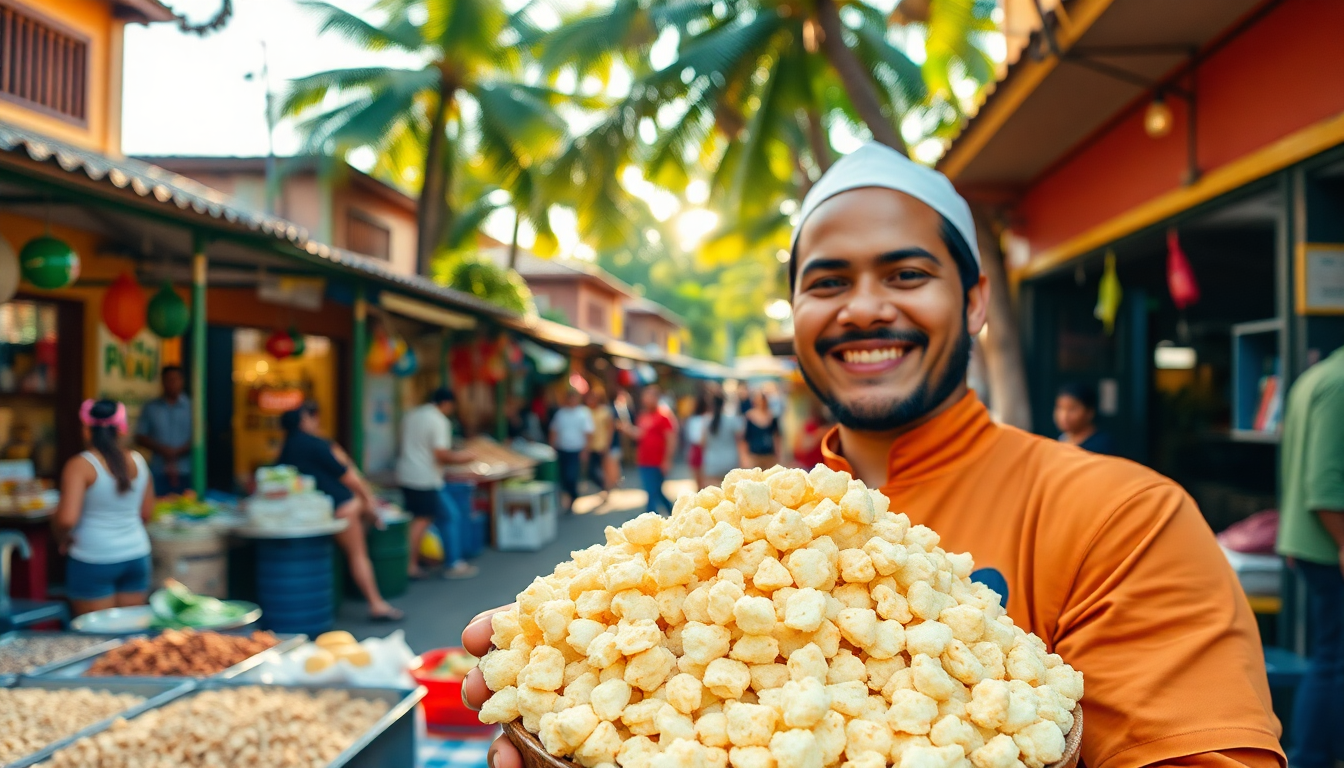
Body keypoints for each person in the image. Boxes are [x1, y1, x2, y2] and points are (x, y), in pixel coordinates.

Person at [461, 142, 1283, 768]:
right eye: (826, 283)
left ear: (976, 299)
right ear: (795, 315)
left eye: (906, 273)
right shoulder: (725, 546)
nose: (863, 307)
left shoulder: (1125, 516)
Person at [1276, 345, 1344, 768]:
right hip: (1329, 545)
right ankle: (1313, 757)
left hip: (1311, 541)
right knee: (1334, 659)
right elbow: (1324, 481)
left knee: (1331, 655)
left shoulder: (1319, 375)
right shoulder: (1339, 385)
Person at [277, 401, 402, 621]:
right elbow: (350, 476)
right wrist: (369, 502)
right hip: (341, 506)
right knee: (358, 555)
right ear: (304, 420)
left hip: (311, 515)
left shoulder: (286, 450)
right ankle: (376, 604)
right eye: (312, 417)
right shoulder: (318, 444)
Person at [53, 400, 154, 618]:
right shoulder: (138, 460)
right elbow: (146, 513)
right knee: (131, 637)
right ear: (121, 428)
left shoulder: (80, 465)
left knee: (96, 639)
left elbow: (66, 520)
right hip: (136, 555)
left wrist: (62, 538)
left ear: (87, 429)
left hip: (93, 557)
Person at [396, 388, 477, 580]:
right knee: (425, 519)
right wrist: (465, 457)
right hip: (424, 478)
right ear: (447, 404)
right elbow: (440, 454)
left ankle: (427, 561)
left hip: (407, 473)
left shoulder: (413, 414)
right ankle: (415, 565)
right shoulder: (439, 420)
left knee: (431, 518)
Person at [135, 366, 192, 496]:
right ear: (162, 381)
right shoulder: (151, 408)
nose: (172, 383)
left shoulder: (192, 407)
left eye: (175, 379)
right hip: (158, 469)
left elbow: (201, 436)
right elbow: (140, 436)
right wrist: (163, 450)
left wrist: (178, 451)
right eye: (168, 380)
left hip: (186, 469)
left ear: (182, 381)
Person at [620, 385, 676, 515]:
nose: (647, 399)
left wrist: (667, 460)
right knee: (655, 491)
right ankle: (673, 513)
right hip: (644, 461)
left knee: (652, 492)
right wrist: (627, 429)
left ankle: (650, 519)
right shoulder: (643, 416)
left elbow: (671, 439)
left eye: (651, 395)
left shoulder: (664, 415)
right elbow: (640, 434)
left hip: (657, 462)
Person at [549, 389, 594, 513]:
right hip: (562, 449)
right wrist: (552, 447)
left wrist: (586, 450)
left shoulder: (583, 413)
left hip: (576, 450)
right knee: (563, 477)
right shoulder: (561, 414)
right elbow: (554, 431)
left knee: (571, 476)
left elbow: (589, 433)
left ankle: (573, 496)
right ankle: (569, 497)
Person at [1054, 381, 1116, 455]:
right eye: (1060, 408)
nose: (1064, 416)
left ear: (1089, 412)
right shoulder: (1060, 441)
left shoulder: (1101, 446)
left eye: (1072, 409)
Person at [700, 392, 741, 486]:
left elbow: (702, 442)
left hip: (712, 460)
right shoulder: (731, 420)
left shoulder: (706, 420)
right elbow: (740, 439)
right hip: (731, 460)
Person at [739, 389, 781, 468]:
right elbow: (745, 438)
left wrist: (778, 453)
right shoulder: (750, 417)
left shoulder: (772, 416)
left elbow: (776, 436)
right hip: (754, 455)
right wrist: (744, 457)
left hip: (769, 454)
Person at [585, 389, 613, 502]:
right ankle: (604, 486)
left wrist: (607, 444)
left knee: (602, 468)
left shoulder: (604, 411)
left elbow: (610, 428)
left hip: (601, 444)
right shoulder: (586, 411)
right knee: (591, 471)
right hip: (590, 446)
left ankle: (606, 488)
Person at [793, 399, 833, 469]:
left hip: (824, 465)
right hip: (809, 466)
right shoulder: (810, 425)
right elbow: (802, 446)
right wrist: (819, 434)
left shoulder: (832, 428)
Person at [685, 393, 711, 489]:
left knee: (698, 481)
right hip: (704, 450)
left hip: (696, 449)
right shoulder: (708, 419)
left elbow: (691, 436)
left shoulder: (693, 419)